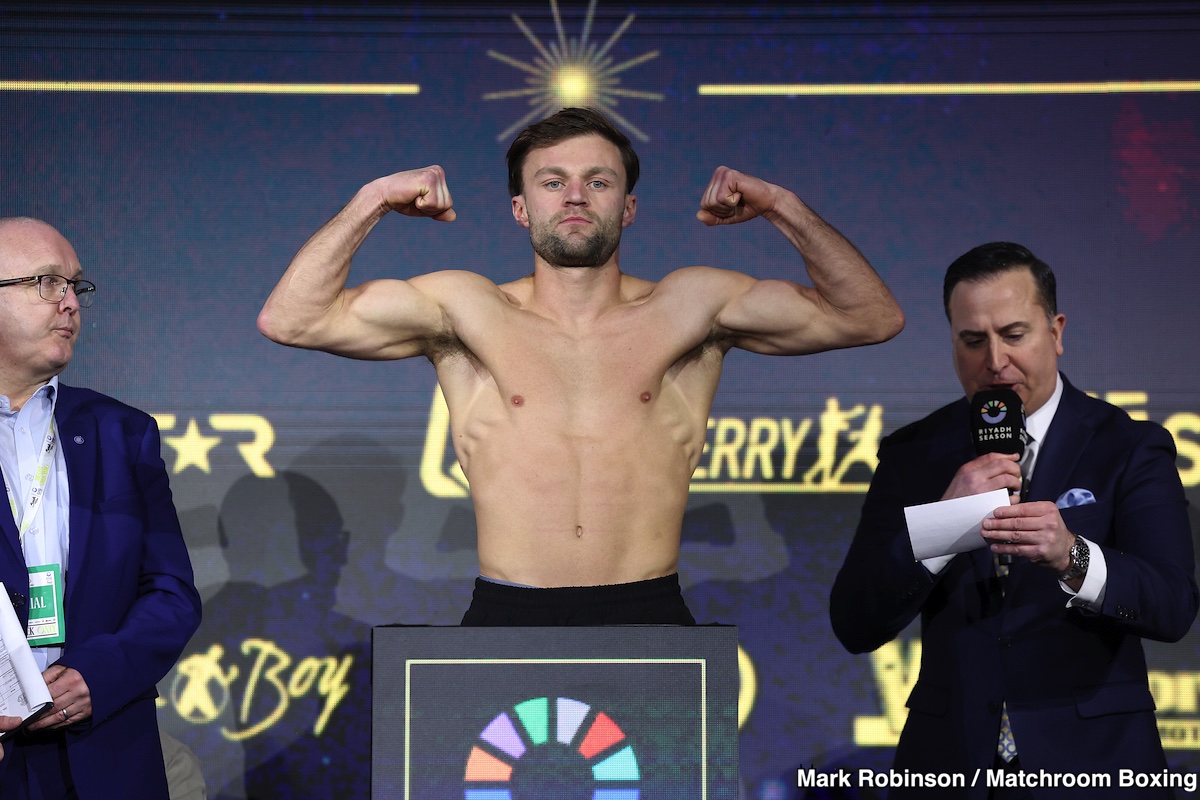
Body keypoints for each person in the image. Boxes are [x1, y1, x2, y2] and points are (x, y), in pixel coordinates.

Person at [259, 107, 904, 626]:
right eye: (551, 181)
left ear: (627, 206)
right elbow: (292, 318)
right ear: (521, 208)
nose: (575, 196)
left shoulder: (691, 306)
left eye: (598, 181)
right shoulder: (466, 309)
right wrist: (372, 200)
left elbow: (870, 317)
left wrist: (780, 206)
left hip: (648, 611)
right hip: (508, 612)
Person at [829, 241, 1197, 798]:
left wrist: (1072, 556)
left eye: (1014, 335)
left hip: (1096, 767)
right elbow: (855, 620)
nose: (995, 361)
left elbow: (1171, 606)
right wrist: (946, 524)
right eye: (973, 341)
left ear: (1056, 331)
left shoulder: (1129, 446)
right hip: (949, 765)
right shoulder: (914, 454)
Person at [0, 217, 203, 797]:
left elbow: (171, 592)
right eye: (46, 282)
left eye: (76, 286)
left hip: (103, 752)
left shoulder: (121, 431)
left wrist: (99, 674)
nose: (69, 303)